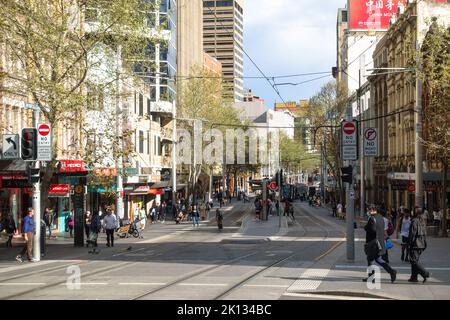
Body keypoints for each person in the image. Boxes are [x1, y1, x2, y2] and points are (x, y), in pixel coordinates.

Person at [363, 205, 397, 283]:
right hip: (378, 241)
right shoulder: (380, 218)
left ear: (372, 210)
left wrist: (366, 227)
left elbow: (372, 229)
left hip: (373, 242)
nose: (368, 211)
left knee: (370, 259)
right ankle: (391, 272)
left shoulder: (372, 218)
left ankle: (372, 277)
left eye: (368, 210)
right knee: (378, 259)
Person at [407, 208, 431, 283]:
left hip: (415, 244)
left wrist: (409, 243)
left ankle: (425, 273)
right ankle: (414, 277)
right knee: (415, 260)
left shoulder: (414, 221)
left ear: (416, 213)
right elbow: (425, 233)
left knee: (413, 261)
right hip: (422, 244)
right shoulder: (422, 221)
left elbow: (412, 234)